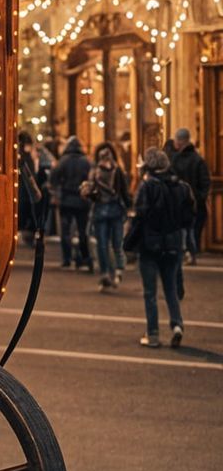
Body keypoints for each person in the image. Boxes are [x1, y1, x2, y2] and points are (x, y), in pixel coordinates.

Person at [127, 148, 195, 347]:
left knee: (150, 292)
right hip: (173, 243)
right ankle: (177, 325)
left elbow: (140, 214)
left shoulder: (147, 186)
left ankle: (153, 333)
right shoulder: (181, 186)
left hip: (150, 244)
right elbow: (189, 215)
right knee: (171, 288)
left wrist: (130, 241)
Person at [84, 141, 130, 290]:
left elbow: (90, 192)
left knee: (103, 245)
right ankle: (116, 271)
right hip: (115, 209)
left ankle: (106, 274)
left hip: (100, 210)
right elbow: (124, 191)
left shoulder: (94, 172)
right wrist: (129, 208)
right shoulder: (117, 170)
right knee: (115, 243)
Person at [166, 128, 211, 264]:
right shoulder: (198, 160)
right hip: (195, 202)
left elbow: (170, 179)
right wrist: (200, 197)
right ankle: (192, 254)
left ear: (179, 141)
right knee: (193, 230)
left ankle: (183, 254)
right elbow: (205, 182)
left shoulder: (174, 159)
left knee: (181, 230)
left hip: (179, 201)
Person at [51, 135, 92, 270]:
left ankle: (67, 259)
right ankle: (83, 258)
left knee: (66, 231)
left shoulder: (63, 161)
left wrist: (56, 193)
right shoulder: (86, 162)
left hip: (66, 200)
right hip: (82, 201)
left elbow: (54, 178)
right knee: (82, 231)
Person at [17, 132, 48, 240]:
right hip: (26, 188)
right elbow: (30, 174)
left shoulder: (22, 155)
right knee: (29, 208)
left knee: (26, 208)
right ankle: (31, 230)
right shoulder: (25, 157)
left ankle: (28, 230)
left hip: (24, 188)